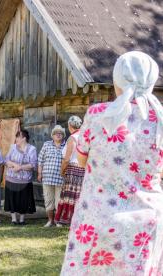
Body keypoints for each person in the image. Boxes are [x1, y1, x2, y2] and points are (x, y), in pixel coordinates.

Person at [61, 51, 163, 275]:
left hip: (99, 217)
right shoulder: (161, 120)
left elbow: (81, 157)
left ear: (118, 79)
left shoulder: (98, 115)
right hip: (147, 222)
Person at [55, 116, 84, 226]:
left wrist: (62, 170)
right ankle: (79, 220)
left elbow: (66, 159)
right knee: (79, 195)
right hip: (83, 169)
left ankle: (70, 219)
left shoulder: (72, 138)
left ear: (69, 126)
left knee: (71, 195)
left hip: (73, 170)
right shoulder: (85, 137)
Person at [4, 130, 37, 225]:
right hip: (11, 178)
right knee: (12, 198)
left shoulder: (32, 149)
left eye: (18, 137)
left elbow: (33, 164)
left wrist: (21, 167)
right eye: (16, 137)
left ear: (24, 138)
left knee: (24, 199)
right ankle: (13, 219)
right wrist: (14, 165)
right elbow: (6, 160)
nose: (16, 139)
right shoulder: (12, 147)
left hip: (25, 180)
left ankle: (22, 219)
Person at [37, 125, 66, 227]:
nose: (58, 135)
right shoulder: (46, 145)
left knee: (59, 201)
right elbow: (40, 160)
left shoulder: (66, 145)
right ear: (52, 135)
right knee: (48, 200)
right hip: (47, 177)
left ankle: (58, 221)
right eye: (56, 133)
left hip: (61, 178)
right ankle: (50, 221)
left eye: (60, 133)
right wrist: (40, 173)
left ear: (63, 136)